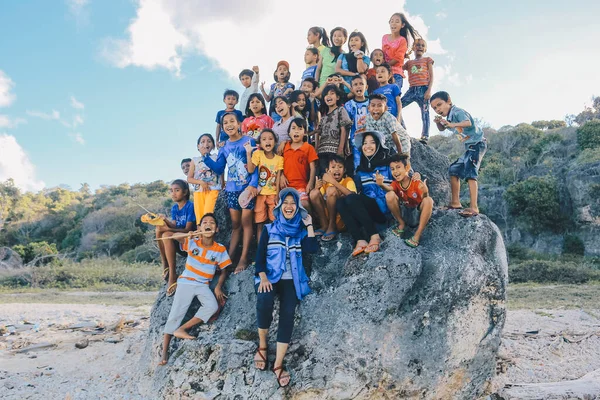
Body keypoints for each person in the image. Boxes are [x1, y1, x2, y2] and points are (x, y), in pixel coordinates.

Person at [253, 188, 317, 388]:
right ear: (280, 206)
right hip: (270, 276)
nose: (289, 206)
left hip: (292, 279)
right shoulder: (269, 229)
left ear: (297, 207)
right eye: (286, 203)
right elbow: (259, 257)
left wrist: (309, 226)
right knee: (264, 300)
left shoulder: (300, 231)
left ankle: (278, 364)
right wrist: (263, 277)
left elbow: (313, 249)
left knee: (288, 313)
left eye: (293, 203)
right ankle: (263, 345)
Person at [158, 213, 231, 366]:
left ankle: (182, 329)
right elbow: (172, 235)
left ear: (216, 229)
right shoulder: (192, 242)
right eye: (204, 222)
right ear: (199, 228)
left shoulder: (220, 249)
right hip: (186, 282)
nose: (208, 224)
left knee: (212, 306)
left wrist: (218, 286)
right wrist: (187, 234)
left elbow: (225, 270)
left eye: (211, 222)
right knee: (176, 313)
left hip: (203, 284)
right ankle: (164, 351)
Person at [203, 112, 259, 273]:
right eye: (225, 122)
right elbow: (220, 168)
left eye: (232, 121)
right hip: (232, 190)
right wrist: (206, 157)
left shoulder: (249, 141)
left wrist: (253, 185)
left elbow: (255, 165)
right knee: (236, 225)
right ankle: (228, 258)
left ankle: (243, 258)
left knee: (247, 223)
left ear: (239, 123)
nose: (229, 124)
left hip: (246, 189)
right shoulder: (224, 147)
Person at [431, 91, 487, 218]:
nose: (437, 109)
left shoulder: (457, 112)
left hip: (478, 144)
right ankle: (455, 202)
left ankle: (474, 207)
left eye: (439, 105)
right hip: (469, 147)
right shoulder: (449, 117)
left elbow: (468, 123)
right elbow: (442, 129)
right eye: (435, 108)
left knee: (470, 174)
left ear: (449, 101)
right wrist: (439, 122)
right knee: (454, 170)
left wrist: (452, 124)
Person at [337, 131, 392, 256]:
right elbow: (355, 195)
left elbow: (404, 177)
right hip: (368, 212)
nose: (368, 146)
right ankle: (360, 240)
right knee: (341, 201)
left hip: (384, 211)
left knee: (351, 198)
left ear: (379, 145)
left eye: (372, 142)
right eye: (365, 143)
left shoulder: (389, 166)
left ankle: (375, 236)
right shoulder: (360, 171)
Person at [376, 153, 433, 247]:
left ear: (407, 168)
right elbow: (389, 189)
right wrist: (381, 184)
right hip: (405, 213)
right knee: (389, 195)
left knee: (428, 200)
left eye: (398, 167)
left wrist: (426, 192)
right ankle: (401, 224)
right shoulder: (395, 183)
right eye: (392, 169)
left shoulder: (415, 182)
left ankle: (417, 235)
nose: (395, 171)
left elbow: (424, 198)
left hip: (417, 214)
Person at [156, 180, 196, 297]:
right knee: (159, 229)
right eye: (171, 191)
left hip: (186, 243)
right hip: (175, 240)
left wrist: (167, 230)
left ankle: (172, 275)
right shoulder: (174, 208)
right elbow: (174, 226)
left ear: (184, 192)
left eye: (177, 190)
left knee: (166, 234)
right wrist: (165, 221)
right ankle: (165, 263)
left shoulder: (190, 206)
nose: (173, 193)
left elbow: (187, 230)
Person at [245, 129, 284, 243]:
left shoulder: (279, 159)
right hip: (260, 194)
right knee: (260, 223)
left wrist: (277, 194)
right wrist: (248, 153)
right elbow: (251, 169)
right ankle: (260, 249)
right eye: (264, 139)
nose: (268, 141)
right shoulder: (258, 154)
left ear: (275, 141)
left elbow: (278, 177)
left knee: (274, 221)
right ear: (260, 143)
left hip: (272, 194)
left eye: (271, 139)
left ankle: (274, 245)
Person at [309, 155, 356, 242]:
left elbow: (352, 196)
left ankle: (332, 226)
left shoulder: (348, 180)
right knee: (314, 193)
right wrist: (317, 187)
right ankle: (324, 225)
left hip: (341, 220)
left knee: (331, 190)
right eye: (333, 167)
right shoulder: (325, 183)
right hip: (327, 217)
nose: (337, 169)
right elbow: (319, 199)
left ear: (344, 170)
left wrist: (333, 182)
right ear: (327, 170)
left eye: (340, 167)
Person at [402, 38, 435, 144]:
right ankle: (402, 128)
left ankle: (425, 136)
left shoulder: (427, 60)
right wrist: (404, 55)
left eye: (422, 45)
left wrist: (429, 90)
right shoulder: (409, 63)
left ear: (425, 49)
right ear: (413, 48)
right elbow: (400, 67)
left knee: (425, 113)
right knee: (398, 106)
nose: (419, 47)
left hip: (423, 89)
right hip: (412, 90)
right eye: (417, 45)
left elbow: (431, 75)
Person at [281, 118, 318, 210]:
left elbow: (313, 168)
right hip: (286, 186)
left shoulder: (308, 148)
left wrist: (310, 183)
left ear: (305, 133)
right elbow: (279, 164)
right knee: (286, 206)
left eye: (300, 128)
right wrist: (281, 175)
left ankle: (310, 223)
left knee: (304, 204)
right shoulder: (284, 147)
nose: (296, 131)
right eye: (293, 128)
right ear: (289, 132)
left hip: (302, 186)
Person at [314, 84, 352, 175]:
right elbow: (318, 133)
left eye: (332, 93)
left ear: (337, 97)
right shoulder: (323, 117)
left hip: (335, 151)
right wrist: (316, 148)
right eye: (326, 94)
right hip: (322, 151)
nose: (329, 96)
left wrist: (340, 149)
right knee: (324, 174)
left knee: (335, 175)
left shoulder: (340, 110)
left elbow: (344, 130)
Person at [187, 134, 220, 224]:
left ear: (213, 145)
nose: (206, 143)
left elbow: (220, 172)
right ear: (198, 146)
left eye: (209, 141)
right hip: (199, 192)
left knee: (208, 215)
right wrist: (201, 182)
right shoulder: (194, 160)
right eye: (202, 142)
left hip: (212, 190)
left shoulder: (216, 157)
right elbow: (189, 179)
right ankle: (201, 238)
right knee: (200, 220)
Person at [382, 12, 419, 91]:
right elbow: (382, 54)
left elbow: (398, 58)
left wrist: (385, 66)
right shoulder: (384, 37)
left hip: (396, 73)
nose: (393, 23)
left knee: (393, 95)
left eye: (397, 21)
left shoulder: (402, 40)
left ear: (402, 25)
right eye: (391, 21)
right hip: (383, 72)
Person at [344, 75, 370, 169]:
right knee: (358, 165)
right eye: (355, 84)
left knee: (371, 165)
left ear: (366, 87)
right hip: (355, 141)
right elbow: (346, 126)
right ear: (351, 88)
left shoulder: (371, 103)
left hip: (371, 140)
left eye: (361, 84)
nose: (358, 86)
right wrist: (346, 142)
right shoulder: (348, 105)